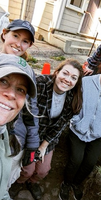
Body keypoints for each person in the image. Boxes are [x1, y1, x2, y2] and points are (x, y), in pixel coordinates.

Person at [15, 58, 83, 199]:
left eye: (73, 78)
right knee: (27, 169)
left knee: (43, 171)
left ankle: (32, 183)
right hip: (28, 135)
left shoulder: (73, 98)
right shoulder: (39, 84)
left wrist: (43, 146)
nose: (67, 79)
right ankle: (17, 182)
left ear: (77, 82)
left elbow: (60, 126)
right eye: (65, 73)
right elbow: (24, 117)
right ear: (56, 72)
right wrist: (32, 146)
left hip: (47, 139)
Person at [59, 54, 101, 200]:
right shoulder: (86, 82)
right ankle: (66, 183)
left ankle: (76, 184)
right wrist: (75, 120)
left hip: (98, 133)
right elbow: (74, 99)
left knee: (90, 162)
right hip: (78, 129)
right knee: (76, 160)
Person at [0, 19, 40, 198]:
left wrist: (31, 148)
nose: (18, 43)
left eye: (25, 41)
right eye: (15, 35)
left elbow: (32, 114)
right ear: (4, 33)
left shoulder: (28, 73)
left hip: (14, 143)